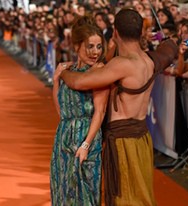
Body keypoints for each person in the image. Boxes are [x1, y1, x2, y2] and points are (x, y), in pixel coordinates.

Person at [60, 9, 177, 205]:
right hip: (142, 138)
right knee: (142, 195)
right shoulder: (150, 60)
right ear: (141, 33)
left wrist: (63, 72)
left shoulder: (122, 65)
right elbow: (169, 52)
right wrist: (171, 42)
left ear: (115, 32)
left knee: (126, 198)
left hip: (123, 142)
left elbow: (80, 82)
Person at [50, 16, 109, 205]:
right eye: (90, 46)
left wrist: (86, 145)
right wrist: (56, 81)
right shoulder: (70, 69)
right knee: (63, 191)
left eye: (99, 47)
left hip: (87, 137)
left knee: (85, 194)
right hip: (64, 136)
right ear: (76, 46)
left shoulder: (99, 72)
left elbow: (100, 112)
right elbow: (61, 110)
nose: (95, 52)